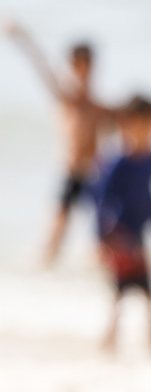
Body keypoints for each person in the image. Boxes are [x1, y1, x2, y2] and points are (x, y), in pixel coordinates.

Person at [4, 20, 115, 263]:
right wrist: (21, 36)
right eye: (79, 65)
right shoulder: (67, 98)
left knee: (104, 231)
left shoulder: (99, 106)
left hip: (95, 174)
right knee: (56, 231)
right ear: (72, 65)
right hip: (71, 172)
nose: (84, 71)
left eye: (88, 65)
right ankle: (41, 273)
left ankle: (98, 272)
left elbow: (126, 124)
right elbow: (40, 64)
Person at [93, 94, 151, 355]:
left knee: (148, 287)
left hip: (139, 233)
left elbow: (150, 197)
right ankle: (110, 338)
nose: (149, 132)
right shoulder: (118, 162)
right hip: (119, 234)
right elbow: (101, 199)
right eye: (144, 126)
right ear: (126, 125)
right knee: (120, 288)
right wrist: (101, 238)